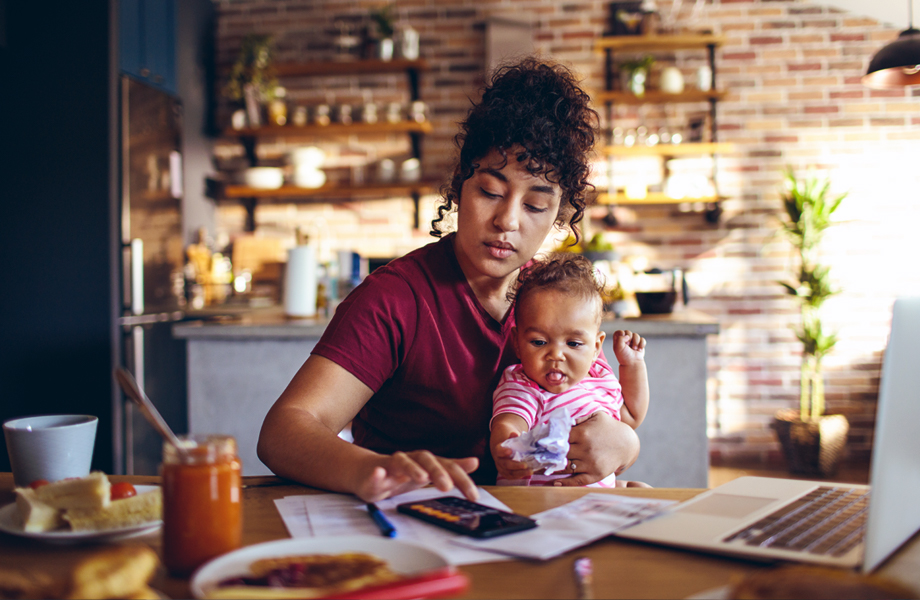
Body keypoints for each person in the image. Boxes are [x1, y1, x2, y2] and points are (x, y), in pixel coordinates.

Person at [257, 57, 641, 503]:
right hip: (415, 517)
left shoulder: (555, 299)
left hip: (537, 522)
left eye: (535, 205)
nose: (507, 220)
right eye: (490, 192)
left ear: (560, 214)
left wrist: (624, 445)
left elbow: (599, 409)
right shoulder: (396, 298)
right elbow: (283, 431)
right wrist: (372, 470)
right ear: (460, 185)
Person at [489, 253, 649, 487]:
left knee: (642, 490)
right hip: (543, 500)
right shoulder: (524, 385)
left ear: (596, 347)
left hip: (595, 498)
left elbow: (631, 417)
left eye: (573, 344)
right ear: (517, 343)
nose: (556, 355)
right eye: (539, 342)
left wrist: (632, 365)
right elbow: (510, 421)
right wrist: (506, 445)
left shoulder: (599, 378)